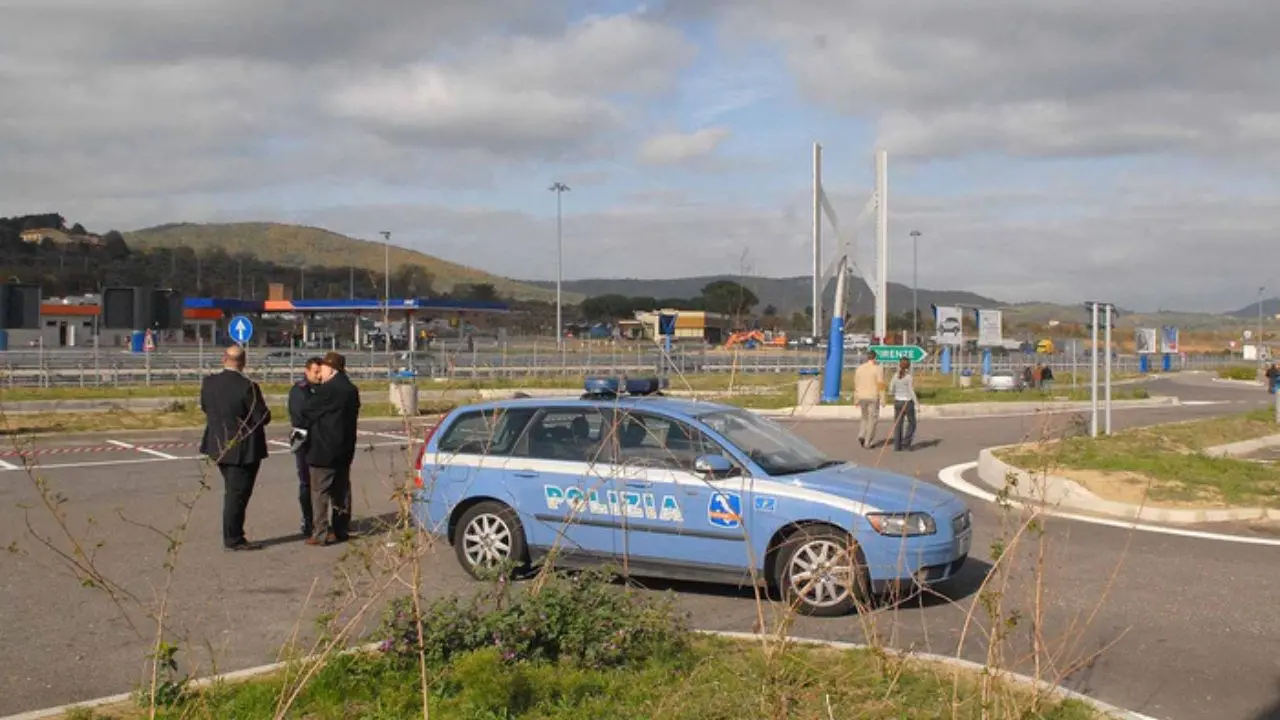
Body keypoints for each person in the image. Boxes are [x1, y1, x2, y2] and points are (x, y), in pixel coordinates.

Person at [199, 344, 271, 551]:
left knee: (233, 491)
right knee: (237, 494)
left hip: (217, 443)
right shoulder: (248, 386)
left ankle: (234, 534)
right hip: (242, 448)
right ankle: (233, 538)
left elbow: (205, 406)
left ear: (224, 359)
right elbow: (260, 417)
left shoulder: (209, 383)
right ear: (244, 361)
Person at [298, 351, 362, 546]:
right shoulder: (351, 389)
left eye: (323, 368)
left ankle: (320, 532)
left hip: (323, 448)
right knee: (341, 491)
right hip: (345, 448)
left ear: (331, 368)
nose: (320, 373)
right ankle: (341, 529)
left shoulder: (327, 390)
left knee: (320, 492)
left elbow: (307, 411)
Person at [288, 357, 324, 537]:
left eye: (320, 372)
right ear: (307, 371)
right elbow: (300, 417)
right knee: (306, 482)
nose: (319, 376)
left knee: (322, 483)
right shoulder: (299, 390)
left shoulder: (325, 389)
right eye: (315, 372)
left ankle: (321, 520)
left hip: (322, 441)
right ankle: (308, 520)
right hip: (304, 440)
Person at [852, 350, 885, 448]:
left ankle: (861, 434)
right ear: (875, 358)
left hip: (861, 396)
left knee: (864, 417)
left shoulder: (859, 369)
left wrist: (856, 398)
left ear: (867, 358)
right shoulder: (877, 369)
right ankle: (868, 441)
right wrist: (882, 398)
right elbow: (880, 385)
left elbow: (856, 384)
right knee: (873, 419)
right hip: (873, 396)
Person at [888, 356, 918, 452]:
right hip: (907, 402)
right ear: (908, 366)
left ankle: (897, 446)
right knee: (912, 423)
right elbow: (911, 391)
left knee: (898, 424)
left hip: (897, 402)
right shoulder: (909, 377)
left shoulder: (895, 376)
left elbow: (891, 389)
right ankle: (906, 442)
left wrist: (895, 394)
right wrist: (917, 403)